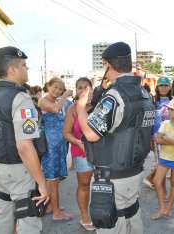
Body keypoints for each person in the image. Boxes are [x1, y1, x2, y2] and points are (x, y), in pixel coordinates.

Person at [76, 42, 155, 234]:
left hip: (114, 175)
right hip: (134, 170)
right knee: (131, 212)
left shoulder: (115, 96)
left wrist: (80, 107)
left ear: (109, 66)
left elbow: (90, 134)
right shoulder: (144, 93)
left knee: (112, 222)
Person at [0, 46, 49, 234]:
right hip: (19, 170)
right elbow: (25, 146)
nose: (27, 69)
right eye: (24, 65)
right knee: (28, 221)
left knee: (4, 216)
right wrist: (42, 183)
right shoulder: (20, 98)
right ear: (12, 70)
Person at [63, 77, 95, 231]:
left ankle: (102, 212)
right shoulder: (73, 108)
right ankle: (85, 216)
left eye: (86, 87)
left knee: (105, 185)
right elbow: (66, 133)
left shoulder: (100, 105)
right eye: (79, 87)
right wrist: (78, 143)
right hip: (81, 153)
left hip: (102, 153)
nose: (82, 90)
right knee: (84, 185)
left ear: (91, 89)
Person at [38, 77, 73, 222]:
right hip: (50, 145)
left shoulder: (61, 102)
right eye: (55, 87)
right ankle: (56, 212)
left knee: (55, 179)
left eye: (61, 89)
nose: (58, 91)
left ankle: (51, 206)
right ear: (48, 86)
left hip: (60, 144)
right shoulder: (43, 100)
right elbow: (55, 109)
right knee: (52, 179)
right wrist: (65, 95)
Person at [150, 98, 174, 219]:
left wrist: (166, 139)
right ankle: (162, 208)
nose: (169, 111)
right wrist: (172, 141)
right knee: (157, 181)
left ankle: (168, 208)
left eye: (172, 109)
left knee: (173, 183)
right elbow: (157, 139)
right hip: (164, 157)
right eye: (169, 109)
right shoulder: (165, 123)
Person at [143, 76, 172, 189]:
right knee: (162, 163)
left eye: (166, 85)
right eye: (161, 85)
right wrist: (149, 138)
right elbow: (148, 120)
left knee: (166, 162)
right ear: (157, 87)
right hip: (157, 137)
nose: (163, 88)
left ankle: (153, 180)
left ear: (169, 87)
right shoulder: (152, 101)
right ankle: (159, 187)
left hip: (171, 137)